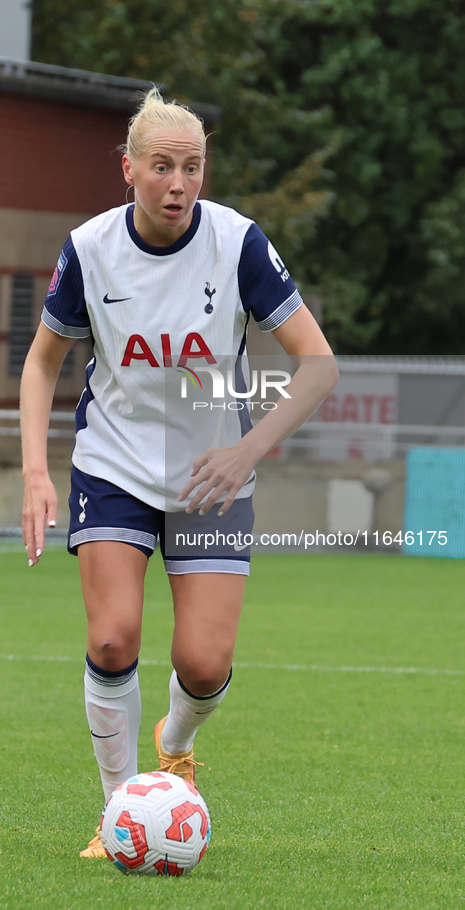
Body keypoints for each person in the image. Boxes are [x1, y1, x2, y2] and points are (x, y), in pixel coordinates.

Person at [20, 87, 338, 859]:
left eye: (191, 168)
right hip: (113, 465)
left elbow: (318, 365)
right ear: (128, 169)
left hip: (210, 478)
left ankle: (176, 742)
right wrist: (36, 470)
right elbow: (42, 361)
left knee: (202, 663)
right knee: (112, 639)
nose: (177, 183)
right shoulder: (89, 248)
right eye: (161, 166)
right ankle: (119, 808)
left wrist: (244, 449)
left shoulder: (237, 244)